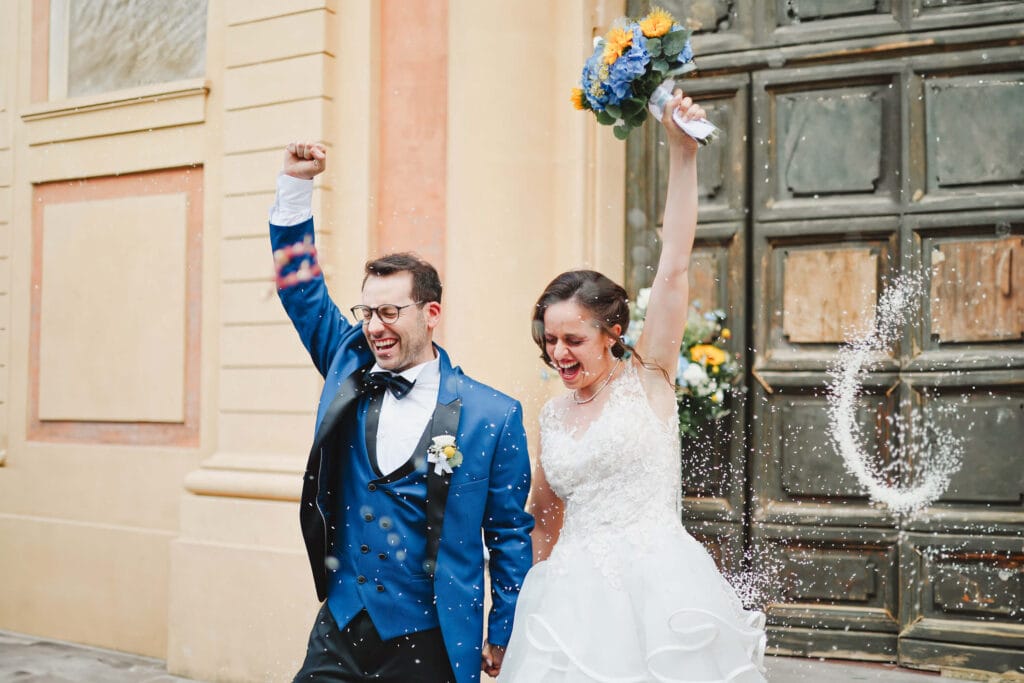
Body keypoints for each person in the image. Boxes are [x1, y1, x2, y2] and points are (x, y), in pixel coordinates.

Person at [498, 93, 767, 682]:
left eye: (573, 339)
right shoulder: (552, 415)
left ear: (613, 333)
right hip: (568, 605)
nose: (558, 353)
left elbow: (673, 263)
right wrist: (521, 612)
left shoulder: (651, 381)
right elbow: (544, 518)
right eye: (550, 340)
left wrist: (681, 153)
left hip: (659, 593)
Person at [270, 142, 534, 682]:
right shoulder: (348, 363)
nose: (374, 326)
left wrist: (504, 630)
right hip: (341, 626)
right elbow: (301, 293)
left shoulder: (493, 415)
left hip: (429, 639)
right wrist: (295, 187)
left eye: (390, 311)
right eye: (366, 311)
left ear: (431, 313)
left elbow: (509, 533)